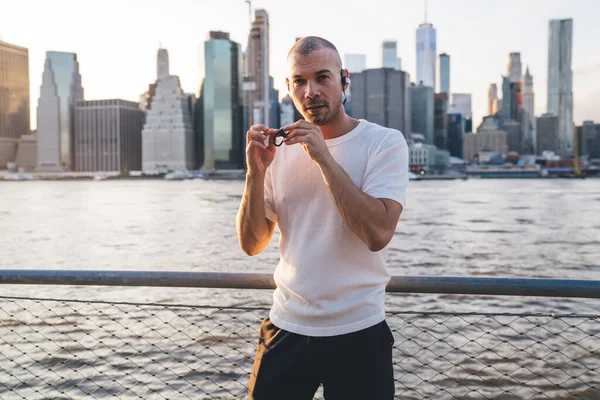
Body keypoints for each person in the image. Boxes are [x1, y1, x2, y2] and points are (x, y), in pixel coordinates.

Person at [236, 36, 409, 400]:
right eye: (299, 81)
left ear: (344, 80)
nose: (311, 90)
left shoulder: (384, 143)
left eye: (322, 77)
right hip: (286, 327)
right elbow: (252, 245)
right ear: (288, 88)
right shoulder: (276, 152)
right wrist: (255, 172)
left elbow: (378, 233)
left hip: (359, 332)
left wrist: (323, 157)